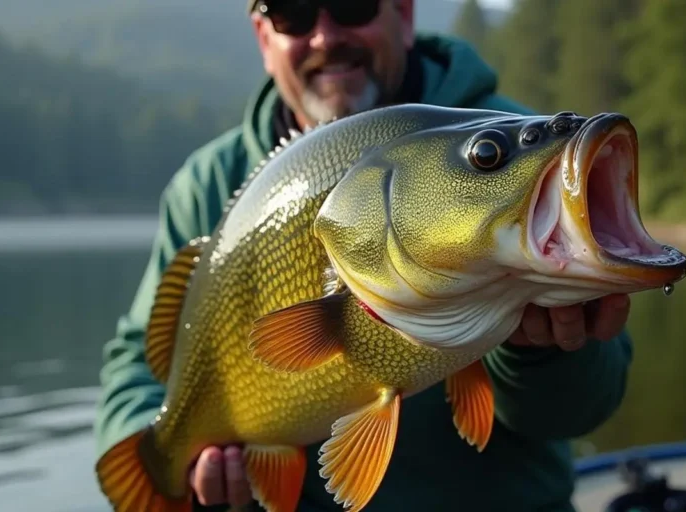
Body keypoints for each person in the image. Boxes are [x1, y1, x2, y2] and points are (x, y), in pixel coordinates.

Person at [93, 0, 634, 510]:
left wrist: (543, 347)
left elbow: (584, 408)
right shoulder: (205, 186)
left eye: (352, 4)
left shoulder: (512, 144)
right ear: (263, 36)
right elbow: (137, 365)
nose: (326, 35)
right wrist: (155, 436)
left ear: (402, 12)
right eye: (293, 13)